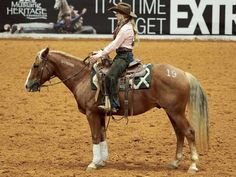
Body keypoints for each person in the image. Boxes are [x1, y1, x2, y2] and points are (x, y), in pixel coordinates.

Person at [90, 2, 138, 113]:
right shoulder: (123, 26)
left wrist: (98, 55)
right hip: (121, 55)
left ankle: (114, 104)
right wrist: (101, 51)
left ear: (123, 15)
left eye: (117, 12)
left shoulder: (125, 29)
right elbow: (114, 44)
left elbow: (115, 45)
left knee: (110, 76)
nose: (115, 14)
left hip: (124, 57)